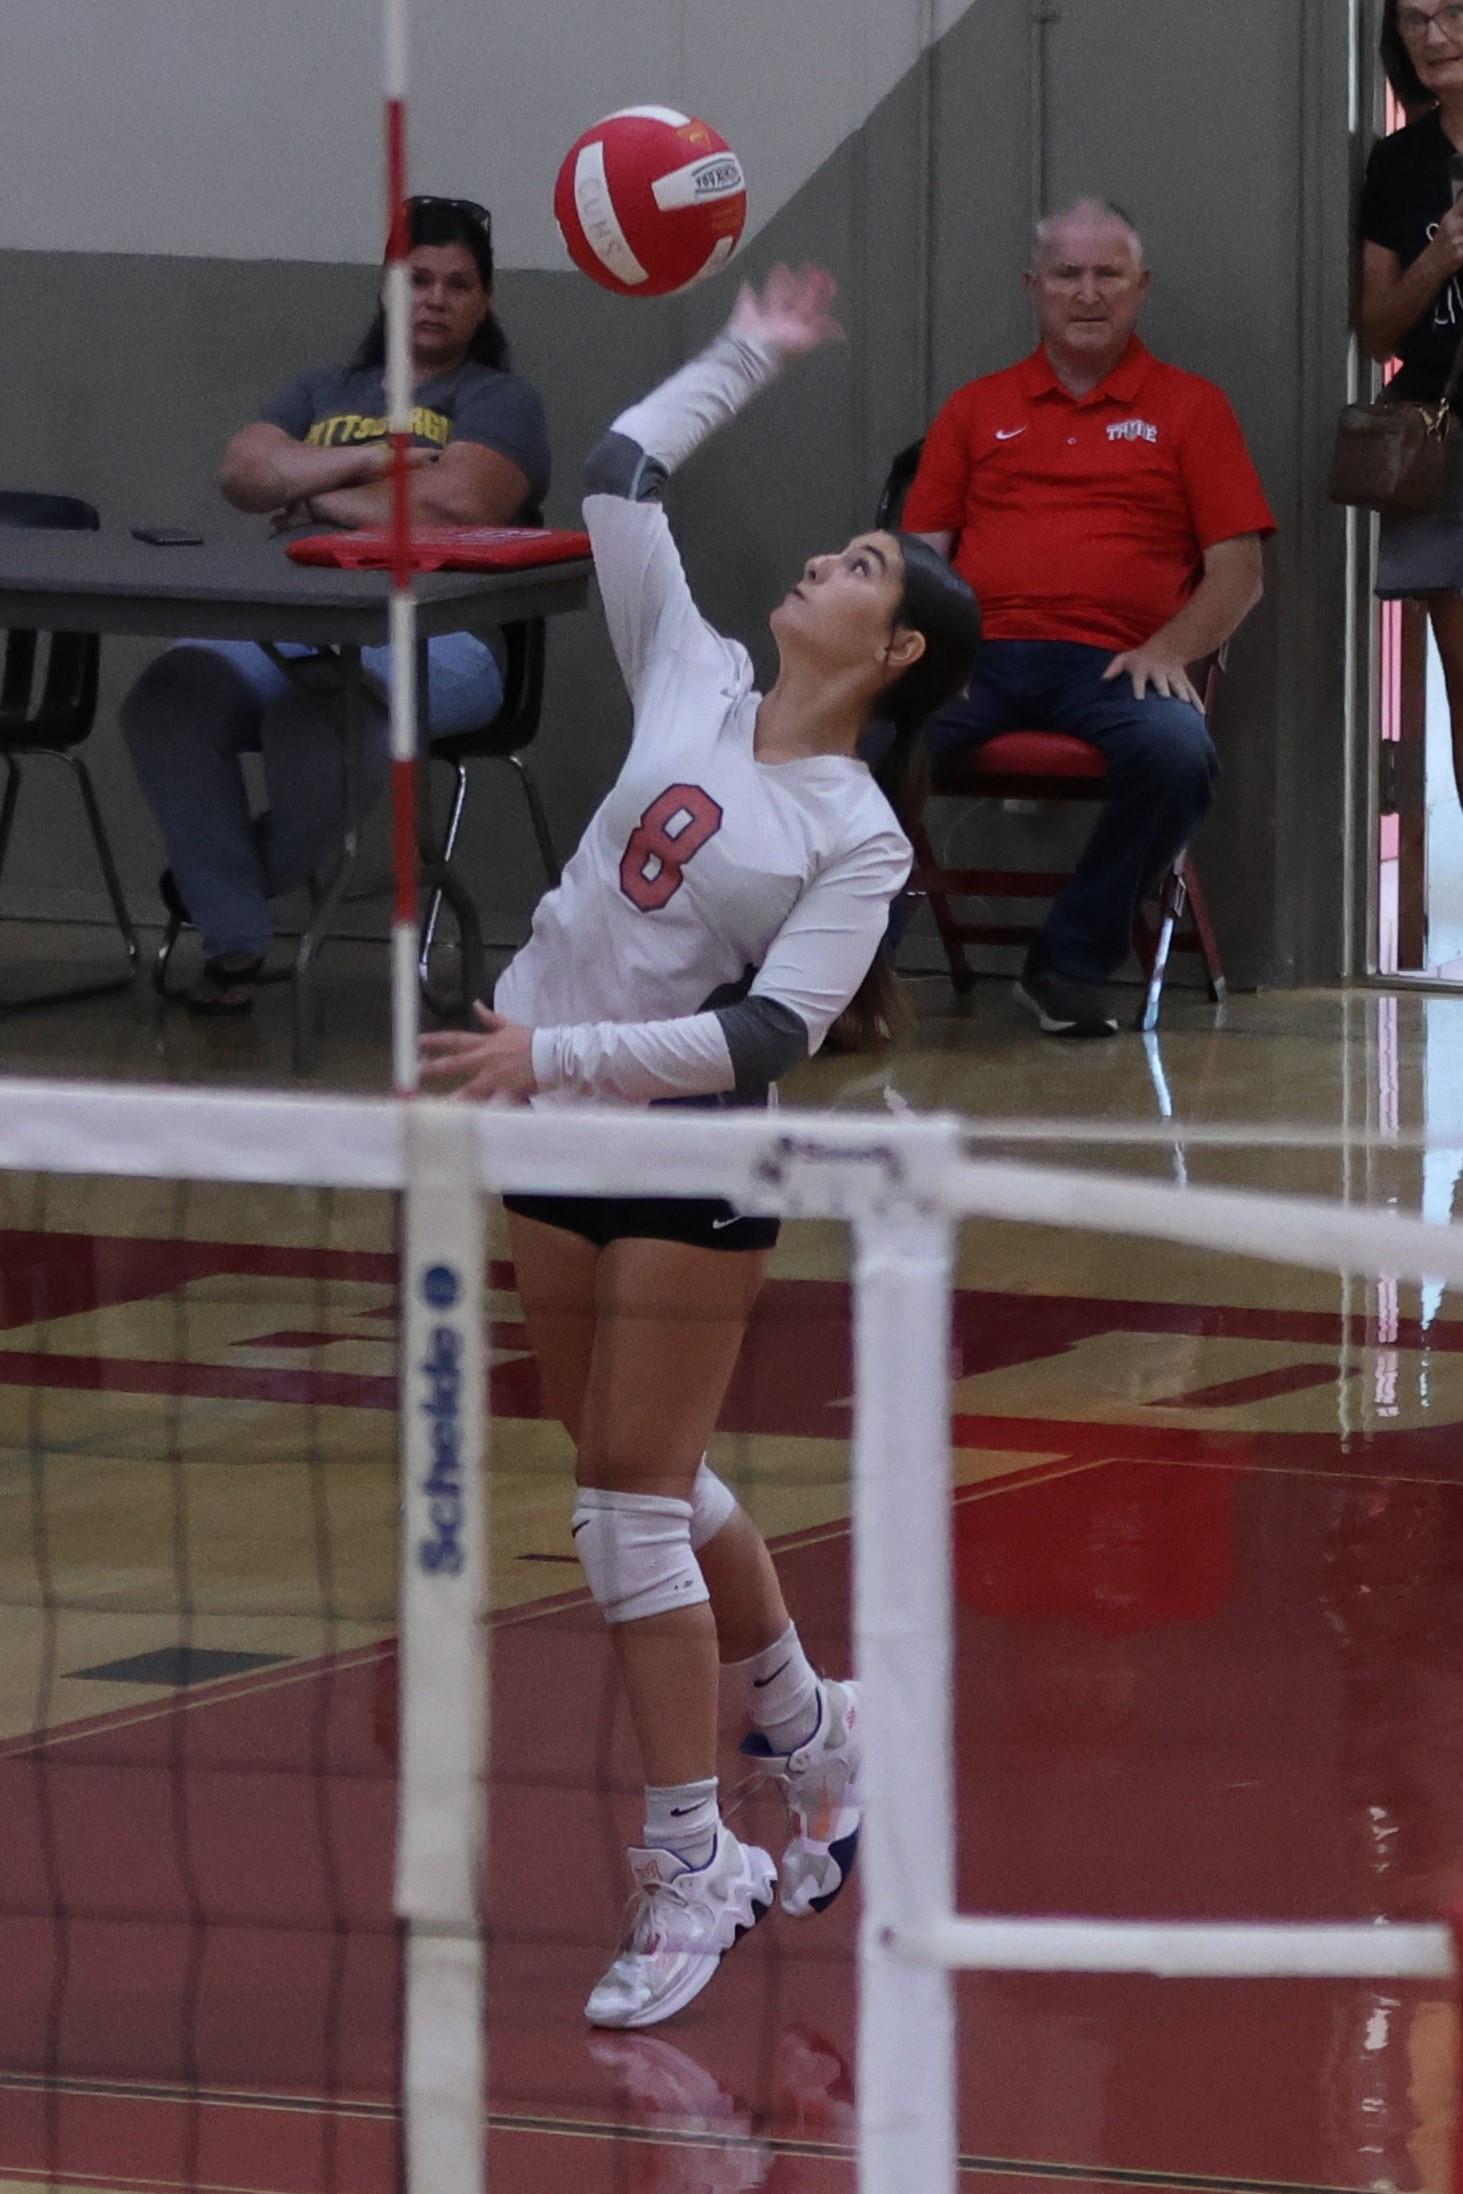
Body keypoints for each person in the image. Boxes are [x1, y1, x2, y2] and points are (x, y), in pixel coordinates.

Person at [419, 264, 982, 2029]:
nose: (826, 556)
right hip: (547, 1112)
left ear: (890, 654)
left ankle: (696, 1855)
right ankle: (815, 1733)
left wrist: (549, 1048)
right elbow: (609, 474)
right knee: (623, 1464)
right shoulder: (694, 665)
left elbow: (763, 1036)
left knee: (621, 1518)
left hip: (678, 1148)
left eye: (862, 568)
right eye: (836, 545)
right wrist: (746, 350)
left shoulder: (853, 829)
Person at [121, 195, 550, 1010]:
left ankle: (231, 901)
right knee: (167, 699)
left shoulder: (500, 401)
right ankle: (237, 937)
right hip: (290, 623)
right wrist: (386, 466)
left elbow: (457, 506)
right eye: (417, 279)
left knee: (319, 714)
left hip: (442, 637)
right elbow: (245, 474)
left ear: (482, 301)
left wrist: (316, 493)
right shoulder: (323, 386)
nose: (435, 298)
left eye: (458, 284)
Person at [901, 198, 1274, 1039]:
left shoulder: (1192, 409)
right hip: (975, 656)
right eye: (1067, 274)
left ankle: (1067, 964)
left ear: (1140, 288)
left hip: (1118, 662)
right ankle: (839, 974)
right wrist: (918, 657)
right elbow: (915, 559)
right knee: (864, 748)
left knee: (1177, 753)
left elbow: (1238, 573)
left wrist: (1170, 649)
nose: (1087, 292)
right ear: (1033, 289)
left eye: (1108, 273)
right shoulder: (973, 408)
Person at [1360, 1, 1463, 809]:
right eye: (1413, 21)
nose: (1432, 36)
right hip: (1440, 438)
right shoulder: (1398, 163)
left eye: (1453, 12)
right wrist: (1438, 257)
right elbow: (1374, 333)